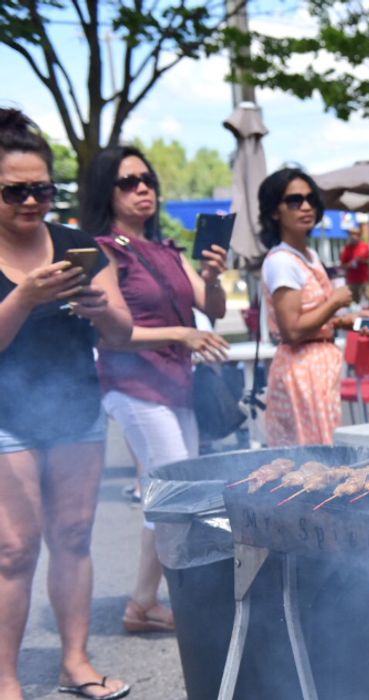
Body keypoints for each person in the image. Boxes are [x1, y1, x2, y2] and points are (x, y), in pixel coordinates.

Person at [0, 109, 133, 700]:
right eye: (14, 191)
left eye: (42, 189)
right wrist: (25, 297)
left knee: (74, 535)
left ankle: (74, 661)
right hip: (6, 419)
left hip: (77, 410)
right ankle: (4, 676)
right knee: (13, 549)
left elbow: (122, 334)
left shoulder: (79, 244)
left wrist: (103, 311)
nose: (32, 201)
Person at [81, 145, 230, 637]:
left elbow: (214, 308)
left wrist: (211, 277)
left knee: (174, 494)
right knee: (176, 493)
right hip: (132, 383)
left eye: (147, 179)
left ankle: (144, 603)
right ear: (108, 190)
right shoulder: (103, 249)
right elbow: (108, 333)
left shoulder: (166, 250)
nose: (143, 188)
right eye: (128, 181)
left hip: (176, 383)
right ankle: (175, 598)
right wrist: (180, 334)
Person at [259, 168, 369, 446]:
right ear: (275, 211)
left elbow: (311, 319)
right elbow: (291, 330)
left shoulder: (308, 255)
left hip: (317, 366)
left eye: (311, 199)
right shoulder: (282, 261)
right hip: (301, 370)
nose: (306, 206)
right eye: (294, 200)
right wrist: (335, 301)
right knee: (314, 460)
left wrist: (345, 320)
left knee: (324, 451)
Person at [339, 226, 369, 305]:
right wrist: (349, 265)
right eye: (352, 234)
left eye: (356, 234)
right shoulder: (347, 249)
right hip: (352, 281)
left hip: (365, 280)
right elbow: (342, 265)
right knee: (353, 303)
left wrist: (362, 261)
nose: (354, 236)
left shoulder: (365, 246)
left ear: (359, 236)